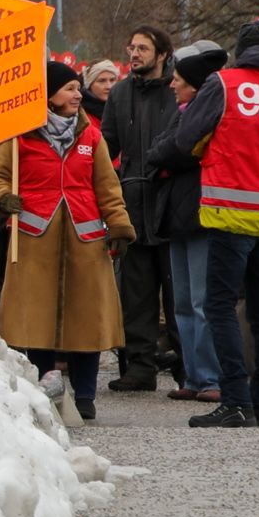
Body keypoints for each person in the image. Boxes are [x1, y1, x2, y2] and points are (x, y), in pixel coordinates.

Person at [151, 19, 259, 428]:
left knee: (219, 305)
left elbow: (186, 138)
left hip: (229, 210)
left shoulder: (224, 83)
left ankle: (235, 400)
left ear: (241, 48)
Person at [0, 59, 134, 420]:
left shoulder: (92, 136)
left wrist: (119, 224)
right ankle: (43, 390)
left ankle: (84, 396)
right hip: (35, 238)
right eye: (69, 88)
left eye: (77, 88)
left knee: (86, 320)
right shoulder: (18, 135)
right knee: (35, 320)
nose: (78, 94)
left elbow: (107, 187)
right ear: (48, 94)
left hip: (85, 238)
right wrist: (3, 199)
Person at [99, 25, 180, 393]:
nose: (135, 54)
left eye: (143, 48)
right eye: (131, 47)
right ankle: (140, 367)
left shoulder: (178, 90)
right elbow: (106, 147)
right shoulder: (119, 94)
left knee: (179, 296)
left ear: (162, 54)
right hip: (132, 205)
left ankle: (189, 368)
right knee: (136, 294)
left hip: (171, 205)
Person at [157, 42, 226, 401]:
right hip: (177, 217)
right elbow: (160, 149)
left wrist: (169, 154)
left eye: (178, 79)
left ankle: (211, 378)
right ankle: (194, 378)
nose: (171, 84)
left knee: (202, 302)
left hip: (201, 215)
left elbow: (178, 149)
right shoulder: (180, 111)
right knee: (182, 304)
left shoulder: (208, 112)